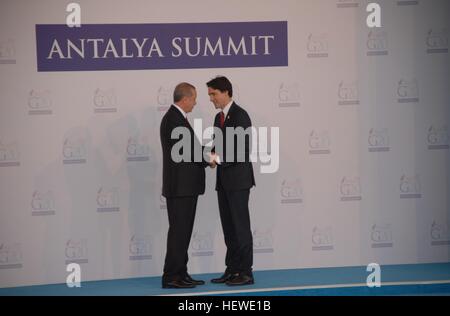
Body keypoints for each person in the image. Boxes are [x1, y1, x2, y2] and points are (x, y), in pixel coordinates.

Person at [160, 82, 214, 288]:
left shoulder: (176, 118)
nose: (195, 102)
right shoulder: (174, 119)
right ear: (185, 98)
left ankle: (180, 273)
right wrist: (209, 159)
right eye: (194, 98)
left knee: (182, 232)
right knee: (179, 232)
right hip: (181, 188)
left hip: (184, 187)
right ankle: (172, 276)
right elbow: (190, 150)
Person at [207, 76, 256, 286]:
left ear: (226, 92)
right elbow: (217, 147)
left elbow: (242, 150)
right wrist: (210, 156)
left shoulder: (240, 115)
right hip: (224, 181)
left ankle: (246, 272)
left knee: (240, 227)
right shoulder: (218, 118)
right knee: (229, 228)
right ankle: (233, 269)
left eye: (213, 94)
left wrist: (218, 158)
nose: (211, 98)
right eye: (210, 94)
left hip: (238, 181)